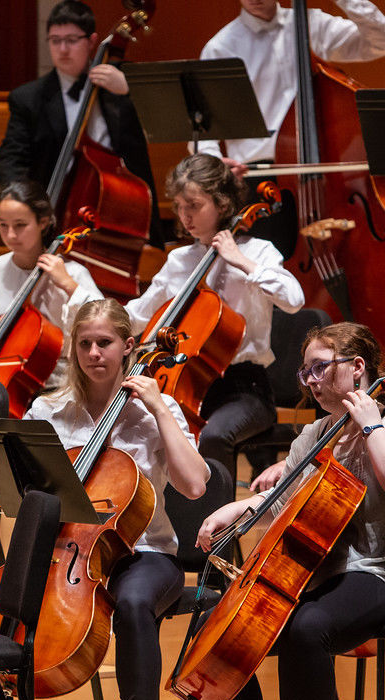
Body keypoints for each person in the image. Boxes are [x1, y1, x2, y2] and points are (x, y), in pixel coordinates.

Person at [0, 299, 209, 700]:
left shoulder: (157, 411)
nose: (93, 353)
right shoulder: (51, 409)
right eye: (84, 343)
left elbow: (195, 485)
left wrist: (158, 407)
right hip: (63, 552)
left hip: (144, 553)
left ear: (128, 346)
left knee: (133, 603)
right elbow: (2, 463)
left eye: (104, 343)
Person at [193, 321, 385, 700]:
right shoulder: (314, 434)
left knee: (308, 627)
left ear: (357, 368)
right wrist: (233, 510)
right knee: (218, 624)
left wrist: (370, 426)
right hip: (320, 574)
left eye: (320, 368)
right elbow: (283, 501)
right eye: (305, 372)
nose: (311, 381)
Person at [125, 153, 304, 482]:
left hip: (245, 389)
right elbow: (140, 314)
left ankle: (219, 515)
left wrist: (241, 261)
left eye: (194, 205)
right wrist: (96, 316)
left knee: (212, 436)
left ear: (222, 203)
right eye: (179, 206)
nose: (185, 216)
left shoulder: (257, 251)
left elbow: (294, 300)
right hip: (187, 384)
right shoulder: (180, 260)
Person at [0, 0, 161, 244]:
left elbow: (163, 117)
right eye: (55, 40)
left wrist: (129, 89)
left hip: (122, 208)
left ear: (92, 41)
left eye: (71, 40)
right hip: (59, 210)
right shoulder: (28, 99)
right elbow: (11, 160)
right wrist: (25, 206)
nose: (63, 49)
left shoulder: (122, 78)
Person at [197, 0, 385, 175]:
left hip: (320, 166)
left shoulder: (312, 25)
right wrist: (213, 163)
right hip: (257, 172)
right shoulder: (221, 47)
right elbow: (201, 121)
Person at [0, 180, 102, 391]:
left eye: (20, 225)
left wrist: (69, 286)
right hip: (0, 384)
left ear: (43, 222)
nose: (11, 234)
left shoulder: (73, 273)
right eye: (3, 225)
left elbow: (106, 322)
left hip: (61, 387)